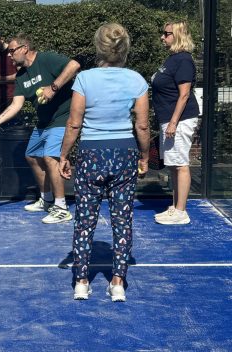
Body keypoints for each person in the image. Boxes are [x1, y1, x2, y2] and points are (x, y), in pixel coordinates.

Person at [58, 23, 150, 302]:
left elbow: (74, 124)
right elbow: (142, 126)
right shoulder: (136, 79)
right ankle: (118, 283)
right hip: (124, 154)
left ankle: (81, 282)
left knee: (85, 220)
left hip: (91, 155)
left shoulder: (84, 79)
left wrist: (64, 156)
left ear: (98, 47)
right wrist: (145, 156)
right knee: (123, 219)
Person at [0, 33, 80, 223]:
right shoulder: (21, 76)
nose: (9, 55)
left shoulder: (46, 59)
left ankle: (61, 207)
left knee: (50, 157)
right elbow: (15, 105)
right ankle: (47, 200)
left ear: (24, 48)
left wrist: (53, 88)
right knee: (32, 156)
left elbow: (74, 65)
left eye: (12, 51)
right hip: (44, 122)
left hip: (63, 117)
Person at [151, 21, 199, 225]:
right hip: (169, 120)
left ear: (178, 36)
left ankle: (181, 212)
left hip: (179, 120)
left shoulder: (184, 60)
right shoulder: (172, 59)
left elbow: (184, 94)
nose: (162, 37)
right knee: (173, 165)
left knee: (180, 164)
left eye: (167, 34)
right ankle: (176, 206)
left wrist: (173, 122)